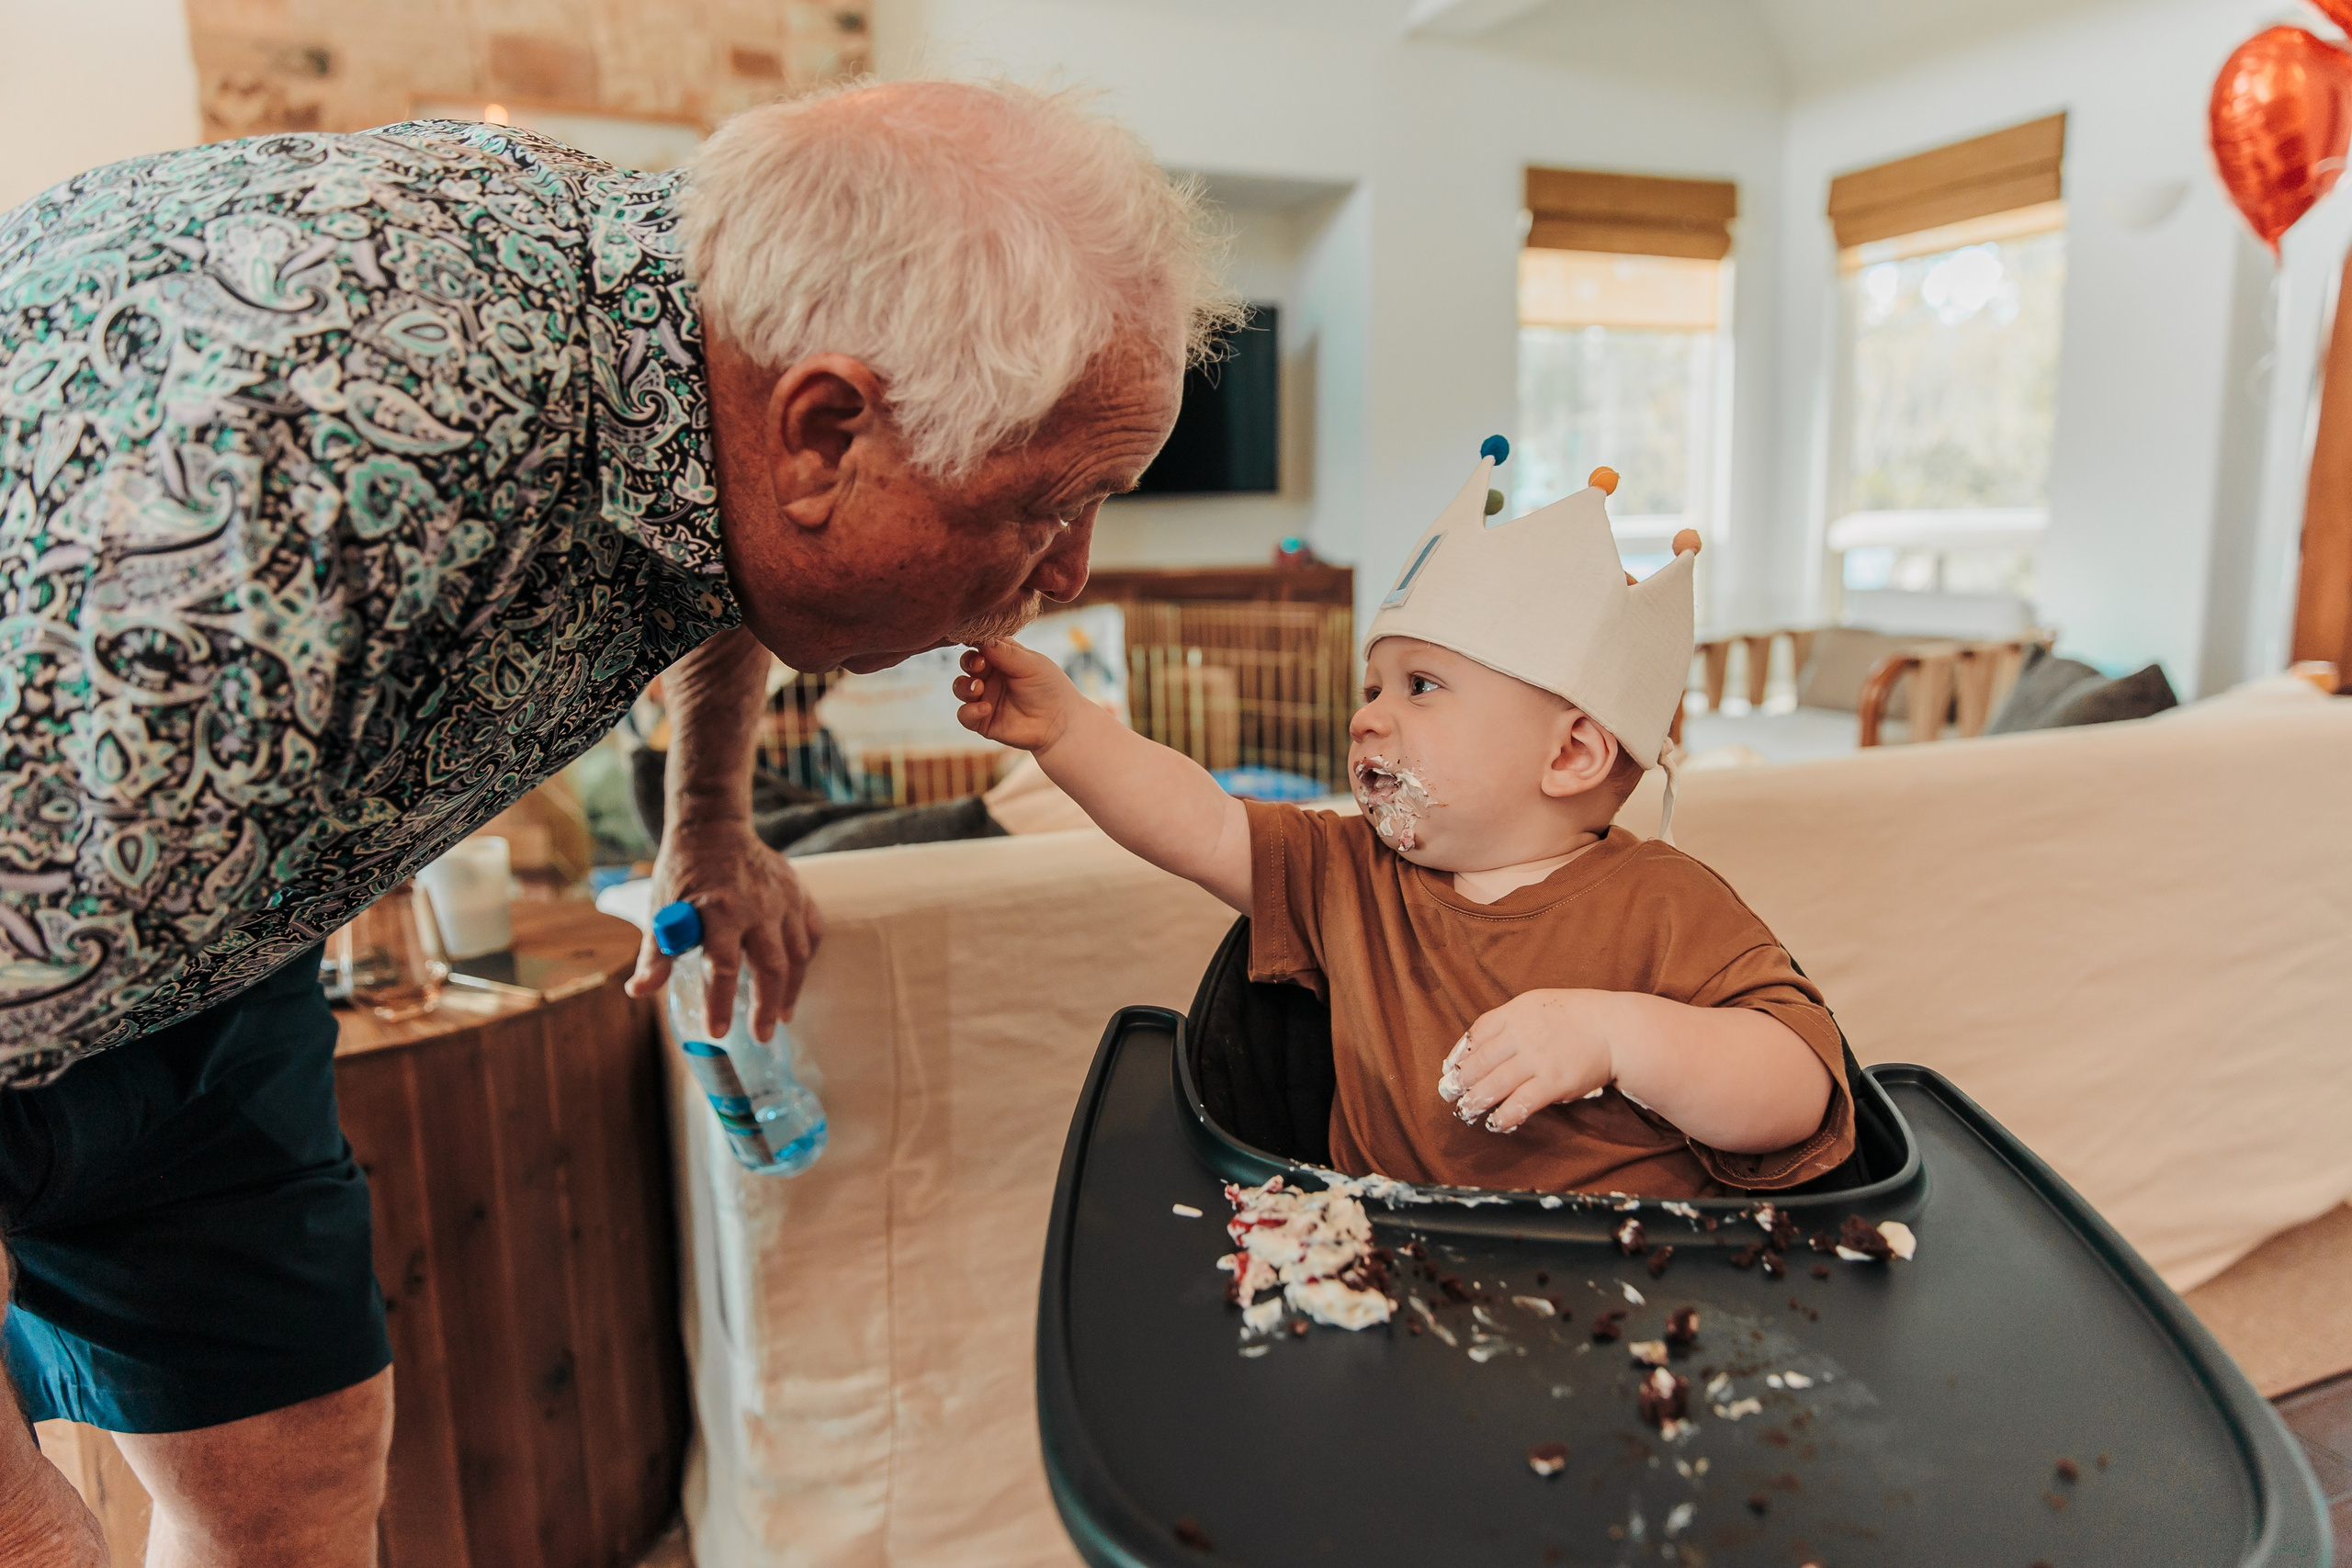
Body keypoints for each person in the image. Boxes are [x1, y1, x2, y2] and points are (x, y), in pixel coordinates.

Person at [0, 79, 1234, 1566]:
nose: (1073, 570)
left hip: (206, 920)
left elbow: (725, 536)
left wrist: (708, 820)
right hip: (56, 862)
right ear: (825, 433)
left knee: (294, 1471)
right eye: (1050, 504)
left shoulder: (707, 319)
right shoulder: (304, 470)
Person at [955, 446, 1853, 1198]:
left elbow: (1798, 1091)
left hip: (1631, 1290)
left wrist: (1618, 1038)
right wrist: (1068, 730)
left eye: (1419, 687)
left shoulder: (1667, 903)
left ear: (1572, 753)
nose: (1367, 717)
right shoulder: (1346, 872)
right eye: (1372, 688)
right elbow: (1199, 824)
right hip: (1387, 1278)